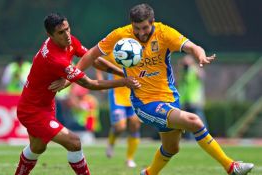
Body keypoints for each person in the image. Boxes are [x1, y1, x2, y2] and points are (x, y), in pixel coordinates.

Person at [51, 3, 254, 175]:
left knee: (171, 148)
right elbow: (90, 55)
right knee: (194, 121)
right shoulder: (120, 35)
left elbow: (192, 47)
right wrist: (71, 77)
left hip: (169, 98)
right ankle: (231, 167)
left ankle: (148, 173)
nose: (140, 33)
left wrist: (199, 55)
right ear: (131, 25)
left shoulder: (165, 33)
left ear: (153, 22)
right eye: (136, 28)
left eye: (145, 28)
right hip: (145, 103)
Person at [14, 13, 140, 175]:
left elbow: (92, 59)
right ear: (50, 35)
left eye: (67, 29)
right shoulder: (55, 59)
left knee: (38, 147)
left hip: (45, 105)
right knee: (74, 142)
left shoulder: (69, 41)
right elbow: (89, 83)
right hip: (32, 111)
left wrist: (123, 73)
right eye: (61, 32)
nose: (67, 35)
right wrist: (124, 82)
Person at [97, 53, 141, 168]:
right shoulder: (114, 50)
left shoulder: (139, 50)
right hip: (117, 95)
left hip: (134, 94)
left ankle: (130, 159)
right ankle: (111, 143)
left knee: (135, 125)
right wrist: (100, 79)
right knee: (120, 127)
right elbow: (97, 62)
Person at [178, 54, 208, 140]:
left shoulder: (195, 70)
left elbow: (201, 75)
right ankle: (190, 139)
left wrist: (194, 66)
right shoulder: (183, 72)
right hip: (186, 101)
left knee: (200, 120)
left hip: (195, 100)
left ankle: (205, 137)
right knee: (188, 122)